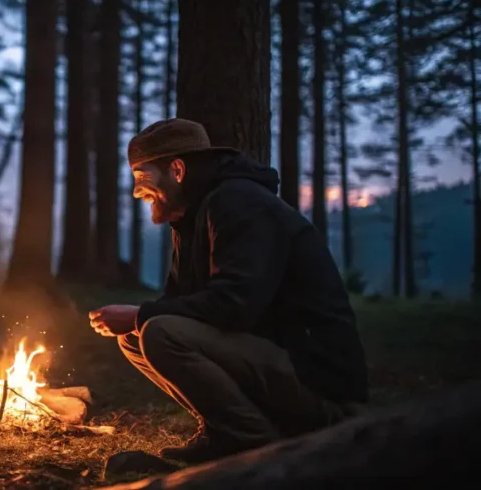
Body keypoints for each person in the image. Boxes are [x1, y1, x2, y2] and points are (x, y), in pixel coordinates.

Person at [89, 119, 369, 469]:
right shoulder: (191, 216)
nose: (137, 192)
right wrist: (138, 319)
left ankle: (248, 443)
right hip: (276, 364)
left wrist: (139, 315)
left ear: (176, 170)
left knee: (158, 332)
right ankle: (227, 429)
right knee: (135, 336)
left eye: (142, 178)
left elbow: (235, 305)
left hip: (321, 387)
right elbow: (180, 304)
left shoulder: (239, 203)